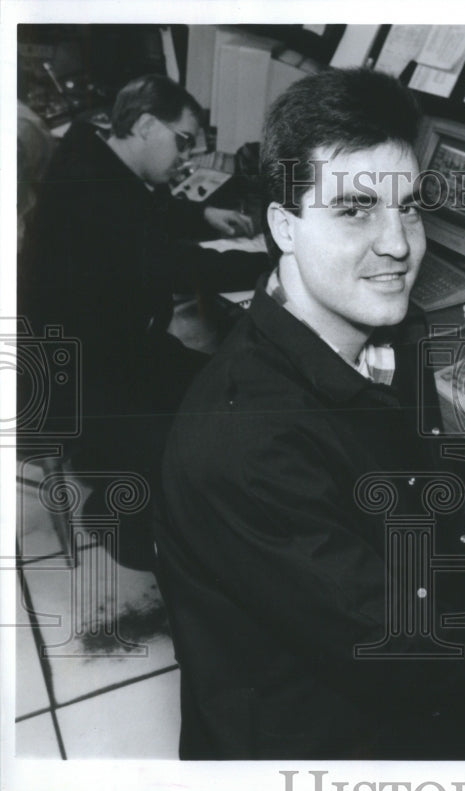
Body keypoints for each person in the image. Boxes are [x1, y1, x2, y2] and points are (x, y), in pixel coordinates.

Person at [154, 67, 465, 760]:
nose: (398, 244)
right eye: (355, 209)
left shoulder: (378, 331)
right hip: (320, 737)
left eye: (407, 206)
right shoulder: (246, 447)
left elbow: (395, 439)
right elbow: (401, 655)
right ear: (284, 226)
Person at [19, 74, 268, 569]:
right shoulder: (97, 196)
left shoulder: (88, 155)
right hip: (77, 376)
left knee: (213, 382)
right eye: (182, 140)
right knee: (198, 417)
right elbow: (170, 260)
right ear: (148, 125)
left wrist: (202, 218)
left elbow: (143, 210)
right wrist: (274, 260)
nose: (185, 155)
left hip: (92, 348)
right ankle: (125, 525)